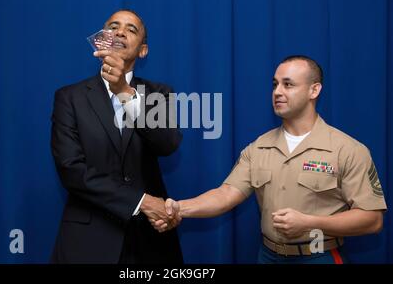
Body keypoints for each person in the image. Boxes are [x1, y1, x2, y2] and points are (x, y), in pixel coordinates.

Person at [153, 55, 387, 264]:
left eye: (288, 85)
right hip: (268, 256)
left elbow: (372, 219)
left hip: (319, 256)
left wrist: (309, 222)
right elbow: (225, 195)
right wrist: (180, 208)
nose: (277, 92)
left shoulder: (347, 149)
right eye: (275, 84)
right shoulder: (259, 148)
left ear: (314, 91)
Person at [50, 9, 183, 263]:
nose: (120, 31)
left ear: (143, 50)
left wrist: (124, 91)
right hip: (88, 241)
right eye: (113, 27)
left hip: (149, 242)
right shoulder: (69, 98)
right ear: (101, 38)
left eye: (131, 29)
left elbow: (167, 144)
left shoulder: (160, 93)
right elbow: (71, 170)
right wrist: (141, 201)